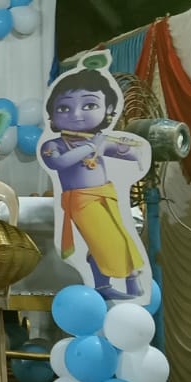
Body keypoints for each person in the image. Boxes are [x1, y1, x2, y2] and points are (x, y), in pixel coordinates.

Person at [39, 68, 149, 300]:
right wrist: (91, 147)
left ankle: (106, 286)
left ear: (108, 110)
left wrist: (137, 153)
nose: (76, 114)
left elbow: (125, 152)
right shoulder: (54, 145)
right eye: (64, 108)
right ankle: (129, 280)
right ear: (51, 116)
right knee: (107, 241)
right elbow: (59, 163)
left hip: (106, 195)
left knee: (118, 238)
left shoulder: (98, 140)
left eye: (89, 105)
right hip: (81, 201)